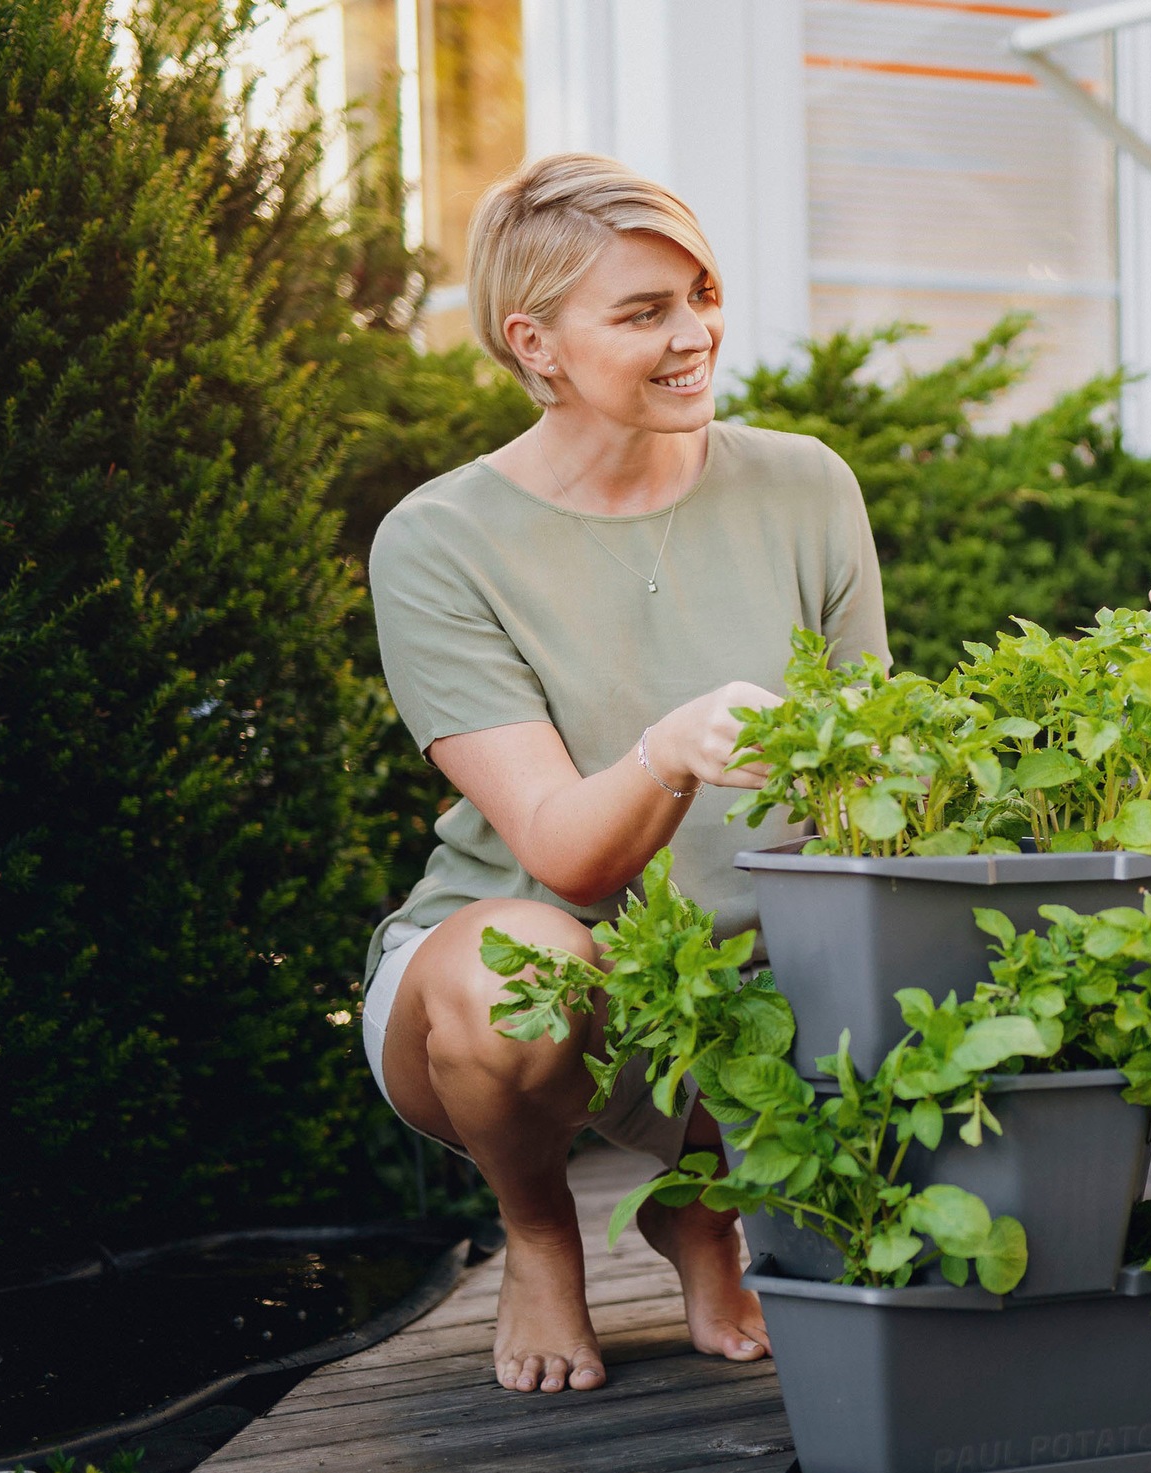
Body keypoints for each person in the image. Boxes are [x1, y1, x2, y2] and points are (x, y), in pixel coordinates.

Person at [362, 154, 888, 1394]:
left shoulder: (806, 484)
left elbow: (869, 787)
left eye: (701, 294)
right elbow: (564, 851)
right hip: (522, 974)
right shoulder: (438, 542)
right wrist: (670, 749)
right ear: (534, 343)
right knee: (517, 975)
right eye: (644, 312)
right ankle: (540, 1230)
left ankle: (700, 1206)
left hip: (743, 982)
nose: (695, 334)